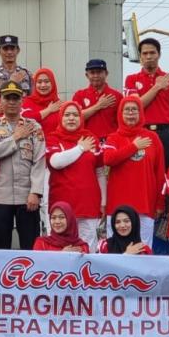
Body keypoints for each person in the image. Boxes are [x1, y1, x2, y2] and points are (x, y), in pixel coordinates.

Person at [32, 202, 86, 337]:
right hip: (45, 310)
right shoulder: (41, 242)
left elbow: (84, 275)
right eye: (53, 217)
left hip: (70, 310)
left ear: (71, 219)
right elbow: (36, 269)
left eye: (62, 217)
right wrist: (61, 256)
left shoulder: (81, 245)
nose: (57, 221)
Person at [96, 205, 149, 337]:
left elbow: (149, 277)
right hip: (108, 311)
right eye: (118, 222)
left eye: (126, 221)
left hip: (134, 313)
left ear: (134, 223)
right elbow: (101, 274)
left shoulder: (145, 249)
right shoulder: (104, 246)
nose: (122, 225)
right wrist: (125, 256)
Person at [0, 80, 46, 250]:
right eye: (7, 98)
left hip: (27, 197)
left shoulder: (33, 126)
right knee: (0, 246)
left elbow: (39, 161)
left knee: (31, 246)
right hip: (0, 196)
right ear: (0, 100)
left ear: (22, 101)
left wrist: (35, 192)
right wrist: (15, 137)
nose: (11, 102)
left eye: (15, 98)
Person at [103, 96, 165, 243]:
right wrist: (134, 147)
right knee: (116, 250)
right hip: (117, 206)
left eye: (134, 109)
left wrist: (159, 203)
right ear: (120, 113)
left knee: (143, 250)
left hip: (145, 204)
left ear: (141, 113)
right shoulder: (113, 138)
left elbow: (160, 172)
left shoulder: (153, 137)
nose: (131, 113)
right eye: (127, 110)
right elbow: (108, 159)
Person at [46, 101, 104, 251]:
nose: (71, 118)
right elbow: (55, 162)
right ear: (60, 117)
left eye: (75, 115)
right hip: (61, 203)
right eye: (67, 115)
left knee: (87, 248)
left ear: (81, 117)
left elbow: (100, 172)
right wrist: (80, 148)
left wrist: (104, 200)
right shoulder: (53, 138)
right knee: (60, 249)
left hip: (88, 203)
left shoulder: (91, 139)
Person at [124, 38, 169, 168]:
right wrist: (157, 87)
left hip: (166, 134)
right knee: (143, 174)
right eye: (145, 53)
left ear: (159, 54)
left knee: (166, 173)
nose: (149, 56)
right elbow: (136, 106)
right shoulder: (131, 79)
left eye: (152, 52)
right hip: (141, 133)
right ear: (140, 56)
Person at [72, 59, 123, 141]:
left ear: (106, 74)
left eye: (99, 72)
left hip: (111, 142)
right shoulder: (79, 95)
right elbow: (75, 118)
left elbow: (122, 122)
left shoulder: (117, 96)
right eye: (92, 72)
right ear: (87, 75)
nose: (96, 75)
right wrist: (98, 106)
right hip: (87, 142)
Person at [23, 68, 62, 134]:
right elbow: (25, 119)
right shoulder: (28, 101)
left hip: (54, 143)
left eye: (46, 81)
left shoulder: (58, 104)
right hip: (34, 143)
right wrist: (48, 110)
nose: (43, 85)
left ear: (52, 83)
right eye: (39, 82)